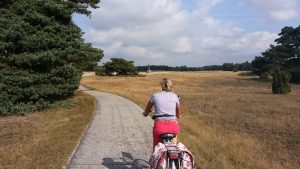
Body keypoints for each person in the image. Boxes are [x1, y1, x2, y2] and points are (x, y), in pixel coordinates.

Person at [143, 78, 181, 150]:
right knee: (174, 146)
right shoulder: (175, 96)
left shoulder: (155, 96)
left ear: (161, 86)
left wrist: (145, 113)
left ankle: (155, 159)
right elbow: (178, 112)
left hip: (160, 127)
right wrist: (178, 115)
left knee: (156, 149)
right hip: (173, 127)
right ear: (171, 86)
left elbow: (147, 109)